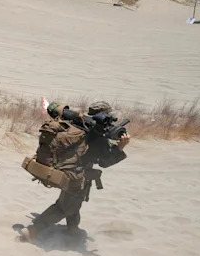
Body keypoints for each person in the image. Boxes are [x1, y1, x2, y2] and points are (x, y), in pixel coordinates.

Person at [20, 101, 129, 242]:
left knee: (73, 201)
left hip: (65, 169)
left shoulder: (77, 123)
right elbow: (104, 162)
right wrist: (120, 148)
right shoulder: (98, 136)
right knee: (65, 207)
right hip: (75, 175)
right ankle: (33, 230)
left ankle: (73, 228)